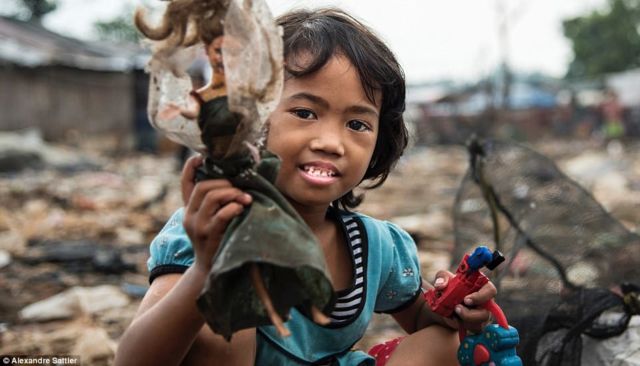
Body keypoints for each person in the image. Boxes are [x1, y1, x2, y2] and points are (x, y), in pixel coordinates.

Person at [115, 7, 497, 366]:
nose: (331, 142)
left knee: (448, 343)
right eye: (305, 113)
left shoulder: (378, 246)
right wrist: (205, 269)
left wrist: (455, 307)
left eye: (357, 124)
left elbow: (421, 320)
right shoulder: (210, 230)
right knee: (224, 324)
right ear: (249, 121)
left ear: (380, 140)